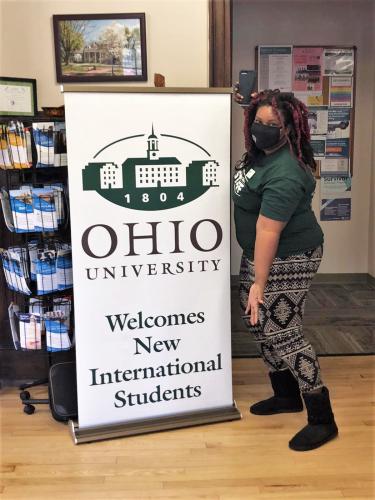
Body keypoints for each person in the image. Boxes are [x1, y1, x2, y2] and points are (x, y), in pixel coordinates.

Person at [232, 86, 338, 451]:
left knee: (283, 331)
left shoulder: (286, 172)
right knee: (256, 320)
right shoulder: (261, 154)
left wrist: (260, 281)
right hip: (261, 253)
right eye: (258, 122)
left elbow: (268, 229)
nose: (263, 129)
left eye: (272, 124)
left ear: (289, 129)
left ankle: (322, 417)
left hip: (290, 255)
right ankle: (286, 394)